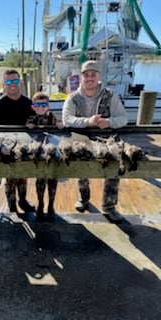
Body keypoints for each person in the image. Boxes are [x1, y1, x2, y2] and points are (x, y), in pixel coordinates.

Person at [62, 60, 128, 222]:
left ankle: (109, 206)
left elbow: (124, 118)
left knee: (113, 167)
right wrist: (87, 121)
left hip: (107, 138)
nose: (89, 78)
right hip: (82, 138)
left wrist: (109, 122)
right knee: (81, 168)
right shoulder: (73, 98)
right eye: (86, 75)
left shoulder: (110, 95)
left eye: (93, 74)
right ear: (81, 77)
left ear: (98, 76)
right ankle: (84, 198)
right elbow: (66, 119)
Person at [0, 69, 36, 215]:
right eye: (8, 82)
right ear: (3, 85)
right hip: (5, 148)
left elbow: (36, 124)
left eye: (15, 81)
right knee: (9, 179)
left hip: (24, 148)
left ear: (20, 83)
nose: (12, 85)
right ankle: (12, 206)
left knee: (23, 175)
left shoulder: (29, 103)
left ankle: (22, 200)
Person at [26, 91, 63, 221]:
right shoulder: (32, 118)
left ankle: (51, 205)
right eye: (37, 105)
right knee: (40, 181)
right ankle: (40, 203)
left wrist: (59, 125)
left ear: (48, 106)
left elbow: (59, 124)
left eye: (44, 105)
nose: (41, 107)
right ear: (33, 106)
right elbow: (28, 126)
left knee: (52, 181)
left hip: (52, 153)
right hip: (39, 154)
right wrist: (29, 126)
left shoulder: (52, 117)